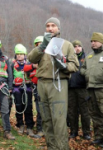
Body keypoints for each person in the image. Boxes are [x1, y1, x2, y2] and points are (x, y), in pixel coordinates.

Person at [28, 17, 79, 149]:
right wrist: (42, 46)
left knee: (59, 120)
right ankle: (51, 147)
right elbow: (31, 58)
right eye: (48, 26)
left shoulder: (66, 44)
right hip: (42, 83)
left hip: (58, 84)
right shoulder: (42, 45)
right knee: (46, 119)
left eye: (53, 26)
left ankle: (62, 147)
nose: (50, 28)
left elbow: (74, 65)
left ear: (58, 28)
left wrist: (63, 66)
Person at [80, 32, 103, 147]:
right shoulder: (89, 56)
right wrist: (87, 73)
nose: (93, 43)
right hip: (91, 89)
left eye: (95, 41)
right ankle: (99, 138)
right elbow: (82, 69)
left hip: (101, 89)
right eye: (92, 41)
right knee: (95, 114)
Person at [11, 44, 36, 138]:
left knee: (28, 107)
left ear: (25, 54)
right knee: (19, 107)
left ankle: (29, 126)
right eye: (18, 54)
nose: (19, 56)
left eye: (21, 54)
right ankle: (20, 124)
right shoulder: (13, 64)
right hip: (17, 88)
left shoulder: (29, 64)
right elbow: (11, 76)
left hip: (28, 87)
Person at [68, 40, 91, 140]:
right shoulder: (69, 58)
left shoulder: (86, 59)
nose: (77, 48)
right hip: (71, 89)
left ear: (81, 47)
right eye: (75, 46)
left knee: (85, 112)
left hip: (83, 89)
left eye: (79, 46)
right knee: (72, 112)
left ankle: (86, 132)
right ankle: (74, 131)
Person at [32, 36, 44, 138]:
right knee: (40, 109)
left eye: (41, 43)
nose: (40, 45)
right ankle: (40, 129)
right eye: (38, 44)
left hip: (48, 85)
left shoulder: (49, 55)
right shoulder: (33, 58)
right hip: (37, 86)